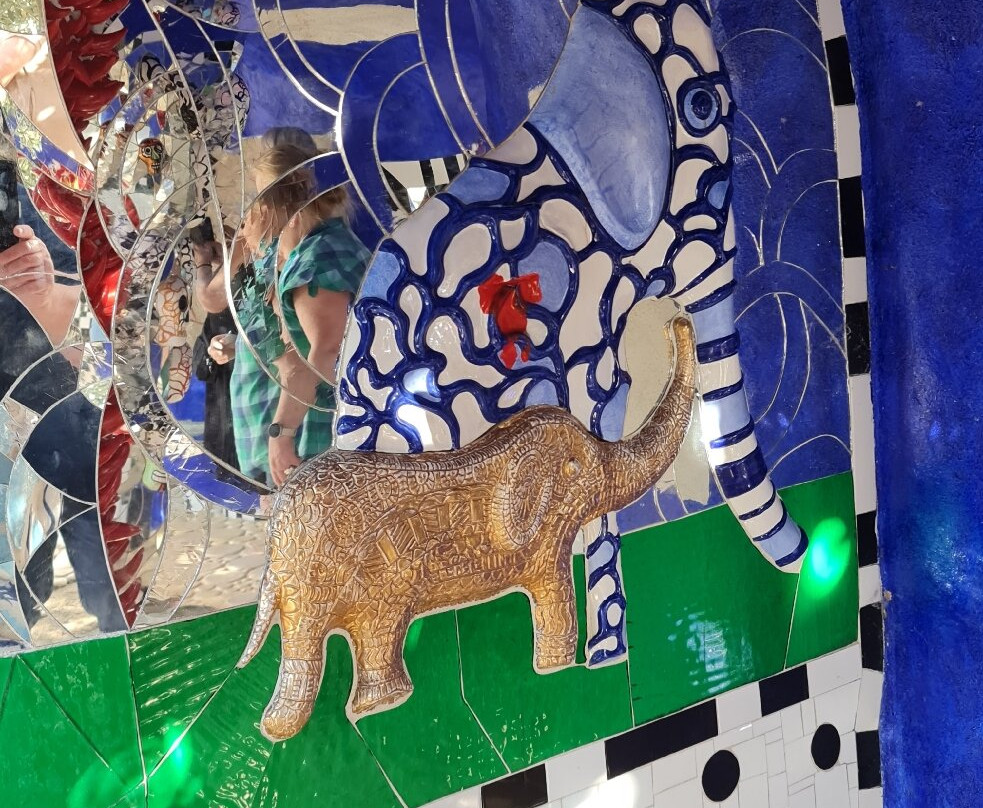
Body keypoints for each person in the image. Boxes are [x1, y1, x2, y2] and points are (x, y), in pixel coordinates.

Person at [193, 127, 319, 485]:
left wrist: (203, 264)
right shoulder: (313, 230)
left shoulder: (276, 233)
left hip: (284, 412)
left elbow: (212, 298)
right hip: (274, 409)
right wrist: (242, 343)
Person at [251, 144, 371, 485]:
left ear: (278, 205)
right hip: (339, 429)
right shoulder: (324, 245)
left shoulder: (318, 259)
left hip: (332, 435)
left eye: (258, 198)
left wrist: (282, 432)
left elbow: (327, 351)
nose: (255, 210)